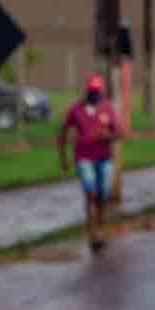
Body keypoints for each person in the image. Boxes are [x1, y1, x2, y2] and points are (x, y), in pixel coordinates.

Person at [58, 74, 124, 251]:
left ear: (101, 92)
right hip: (83, 158)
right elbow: (63, 133)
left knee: (102, 195)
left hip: (104, 159)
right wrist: (63, 158)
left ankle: (100, 227)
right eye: (91, 91)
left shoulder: (107, 108)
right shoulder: (76, 109)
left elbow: (120, 132)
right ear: (87, 90)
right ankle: (93, 233)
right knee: (90, 193)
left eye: (97, 91)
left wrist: (107, 136)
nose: (94, 95)